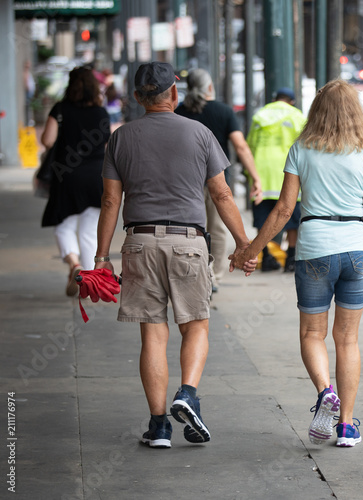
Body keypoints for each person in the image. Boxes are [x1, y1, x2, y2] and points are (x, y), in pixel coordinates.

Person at [231, 80, 363, 447]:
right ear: (356, 114)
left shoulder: (301, 150)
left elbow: (283, 210)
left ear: (316, 112)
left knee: (313, 334)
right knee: (348, 340)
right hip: (358, 251)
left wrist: (251, 251)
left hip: (313, 249)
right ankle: (346, 427)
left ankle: (326, 391)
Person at [94, 62, 256, 448]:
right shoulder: (199, 133)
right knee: (196, 324)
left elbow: (110, 200)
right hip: (188, 243)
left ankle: (159, 427)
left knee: (152, 334)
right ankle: (188, 393)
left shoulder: (120, 138)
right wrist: (243, 244)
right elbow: (222, 195)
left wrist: (101, 257)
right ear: (174, 94)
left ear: (137, 98)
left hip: (139, 242)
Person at [175, 68, 262, 292]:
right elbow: (240, 146)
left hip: (184, 182)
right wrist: (255, 177)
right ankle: (212, 276)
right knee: (217, 229)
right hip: (217, 180)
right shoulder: (224, 111)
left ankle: (193, 273)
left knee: (189, 229)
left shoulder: (179, 112)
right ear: (210, 87)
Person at [41, 66, 111, 296]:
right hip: (96, 177)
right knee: (89, 231)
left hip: (66, 175)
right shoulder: (101, 113)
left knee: (64, 226)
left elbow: (48, 140)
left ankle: (75, 265)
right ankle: (89, 282)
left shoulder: (60, 109)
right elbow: (107, 145)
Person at [246, 87, 306, 272]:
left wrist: (251, 174)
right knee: (292, 217)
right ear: (292, 101)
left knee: (263, 218)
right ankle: (291, 258)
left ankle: (265, 256)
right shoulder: (297, 117)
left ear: (274, 98)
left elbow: (250, 145)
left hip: (261, 173)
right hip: (286, 173)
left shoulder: (259, 116)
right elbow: (304, 146)